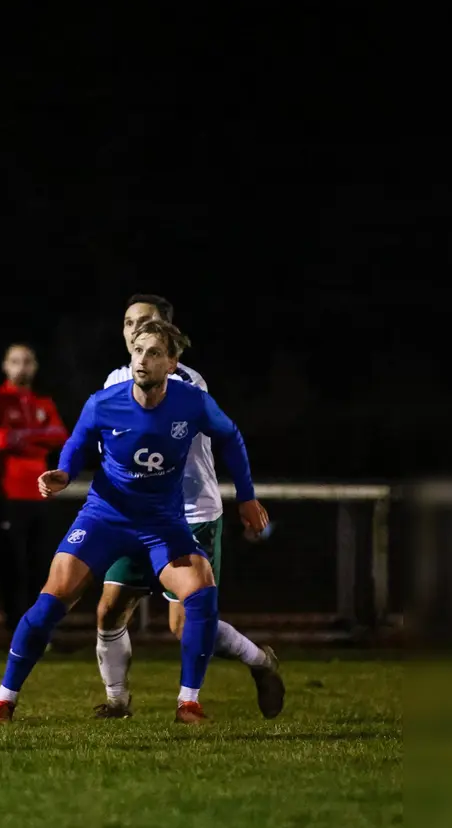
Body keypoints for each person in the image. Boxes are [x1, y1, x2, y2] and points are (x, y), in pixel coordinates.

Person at [0, 318, 268, 725]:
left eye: (154, 353)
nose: (143, 360)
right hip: (106, 517)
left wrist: (246, 497)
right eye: (138, 351)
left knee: (201, 590)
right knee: (53, 597)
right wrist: (63, 473)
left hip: (162, 523)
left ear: (171, 364)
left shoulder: (192, 402)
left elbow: (230, 436)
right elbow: (77, 443)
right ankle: (3, 700)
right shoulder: (104, 401)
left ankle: (188, 702)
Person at [92, 294, 284, 718]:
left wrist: (246, 496)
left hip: (189, 514)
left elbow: (224, 437)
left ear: (168, 336)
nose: (133, 330)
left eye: (144, 323)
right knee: (109, 610)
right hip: (135, 516)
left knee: (183, 625)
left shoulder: (186, 383)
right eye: (128, 323)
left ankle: (259, 661)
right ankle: (117, 700)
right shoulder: (113, 381)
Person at [0, 343, 68, 630]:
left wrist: (25, 437)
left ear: (35, 366)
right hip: (9, 494)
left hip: (40, 494)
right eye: (15, 361)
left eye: (27, 361)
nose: (22, 367)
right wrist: (37, 437)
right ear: (6, 366)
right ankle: (14, 627)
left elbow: (60, 435)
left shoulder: (43, 401)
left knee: (40, 564)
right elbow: (2, 440)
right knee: (12, 565)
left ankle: (38, 627)